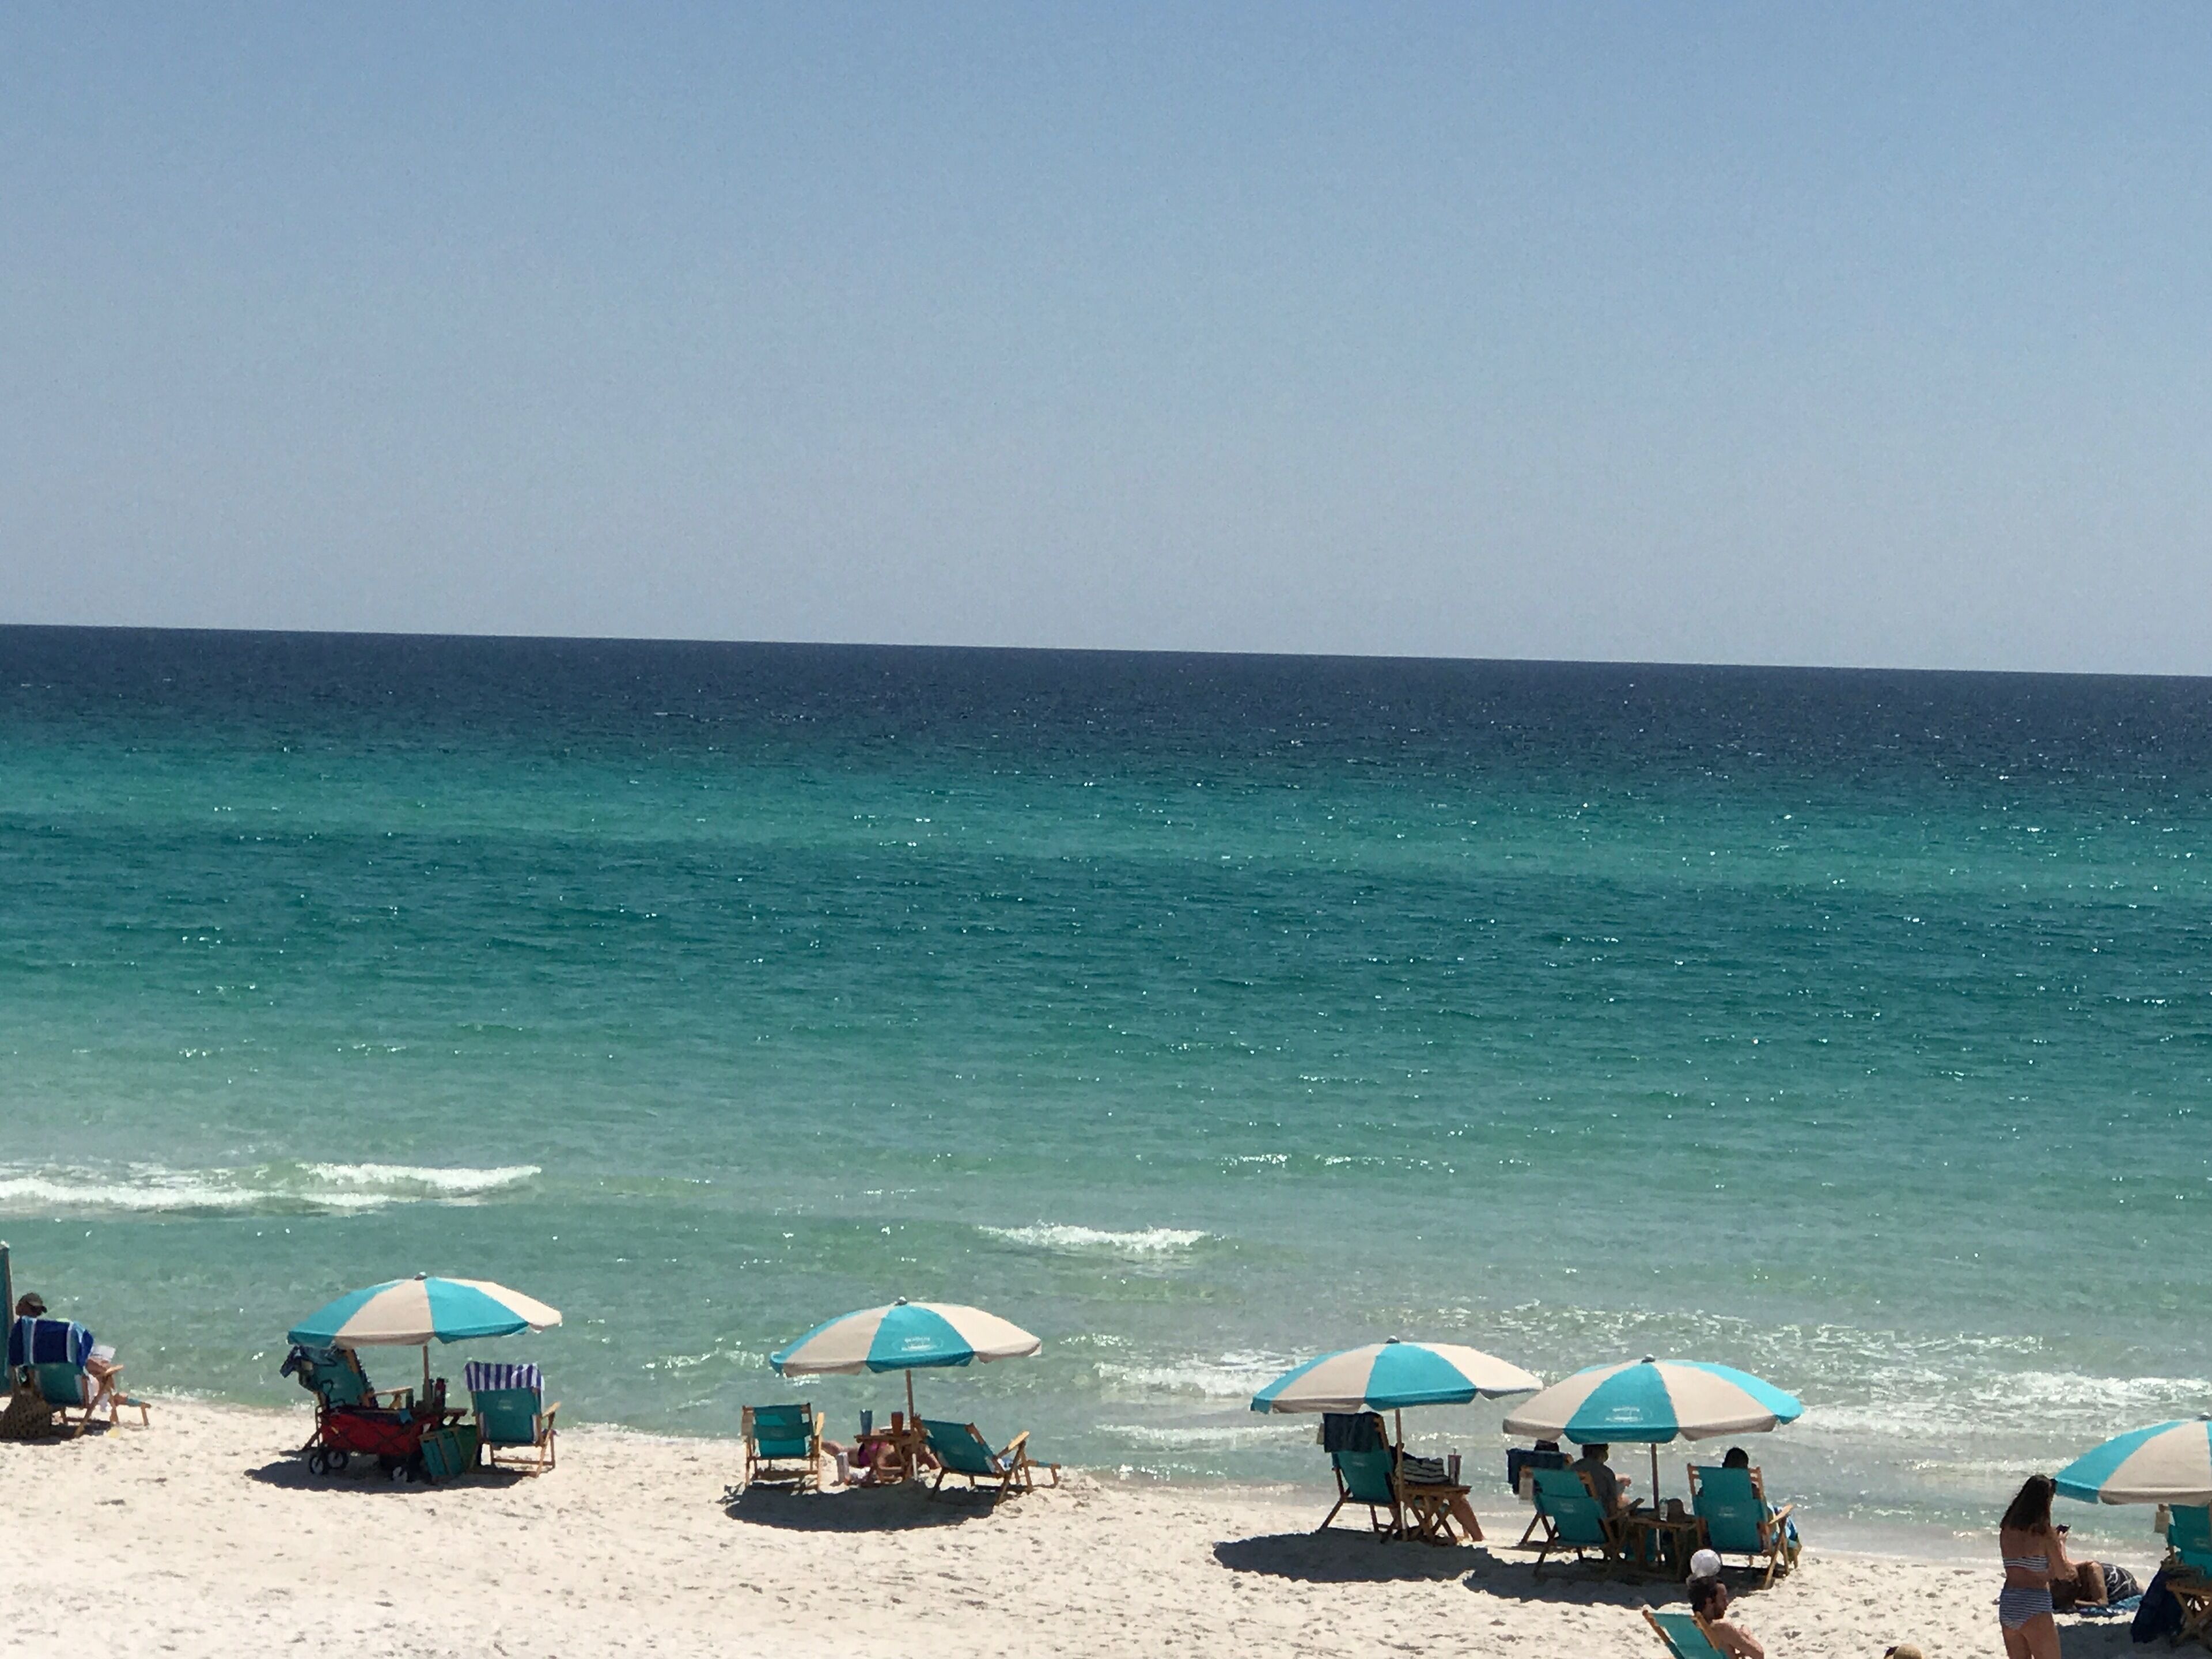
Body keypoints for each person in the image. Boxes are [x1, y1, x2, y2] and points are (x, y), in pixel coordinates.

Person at [1998, 1474, 2068, 1659]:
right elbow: (2063, 1574)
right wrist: (2061, 1544)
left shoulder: (2006, 1529)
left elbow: (2021, 1569)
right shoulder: (2045, 1533)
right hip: (2034, 1604)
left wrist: (2045, 1574)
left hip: (2009, 1602)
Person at [12, 1292, 122, 1409]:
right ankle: (113, 1397)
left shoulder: (30, 1339)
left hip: (46, 1389)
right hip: (63, 1392)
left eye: (38, 1312)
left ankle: (113, 1393)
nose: (36, 1315)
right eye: (33, 1310)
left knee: (83, 1363)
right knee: (98, 1372)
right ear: (19, 1306)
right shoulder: (28, 1338)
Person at [1690, 1575, 1764, 1659]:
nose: (1727, 1603)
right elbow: (1759, 1654)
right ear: (1709, 1601)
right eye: (1723, 1599)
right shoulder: (1722, 1628)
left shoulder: (1689, 1628)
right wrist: (1746, 1636)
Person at [1571, 1441, 1631, 1515]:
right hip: (1597, 1518)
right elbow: (1612, 1504)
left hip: (1571, 1513)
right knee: (1625, 1503)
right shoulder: (1606, 1473)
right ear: (1602, 1454)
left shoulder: (1571, 1469)